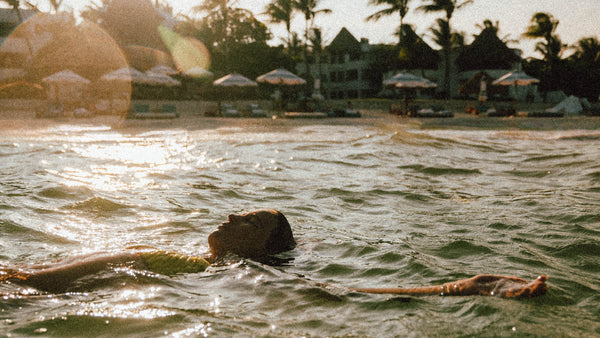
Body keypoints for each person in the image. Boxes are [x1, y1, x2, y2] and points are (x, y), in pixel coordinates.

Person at [1, 210, 547, 298]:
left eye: (252, 220)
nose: (233, 217)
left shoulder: (242, 272)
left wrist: (463, 286)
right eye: (240, 212)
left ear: (262, 247)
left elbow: (350, 294)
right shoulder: (202, 265)